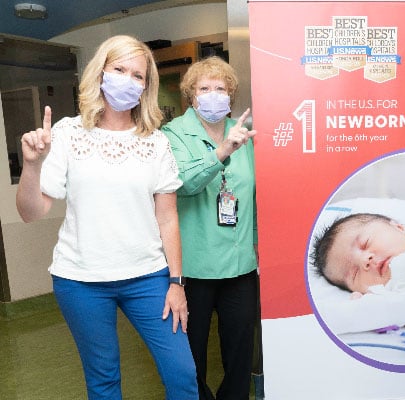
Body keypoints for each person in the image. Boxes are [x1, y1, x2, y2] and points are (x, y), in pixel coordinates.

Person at [15, 35, 198, 400]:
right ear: (100, 72)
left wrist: (176, 282)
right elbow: (31, 213)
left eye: (137, 75)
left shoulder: (156, 142)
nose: (128, 80)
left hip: (148, 278)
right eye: (119, 69)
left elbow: (167, 218)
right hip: (81, 280)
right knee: (103, 381)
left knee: (182, 374)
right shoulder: (67, 134)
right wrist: (32, 166)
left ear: (146, 86)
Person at [161, 56, 258, 400]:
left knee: (239, 357)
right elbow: (183, 183)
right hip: (194, 270)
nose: (213, 95)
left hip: (241, 267)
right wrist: (221, 152)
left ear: (231, 94)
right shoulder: (172, 135)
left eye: (220, 88)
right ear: (191, 95)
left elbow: (255, 197)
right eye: (204, 88)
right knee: (191, 359)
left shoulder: (246, 134)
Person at [312, 212, 405, 333]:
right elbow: (403, 308)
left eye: (365, 243)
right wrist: (365, 306)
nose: (364, 261)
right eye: (355, 273)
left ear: (399, 227)